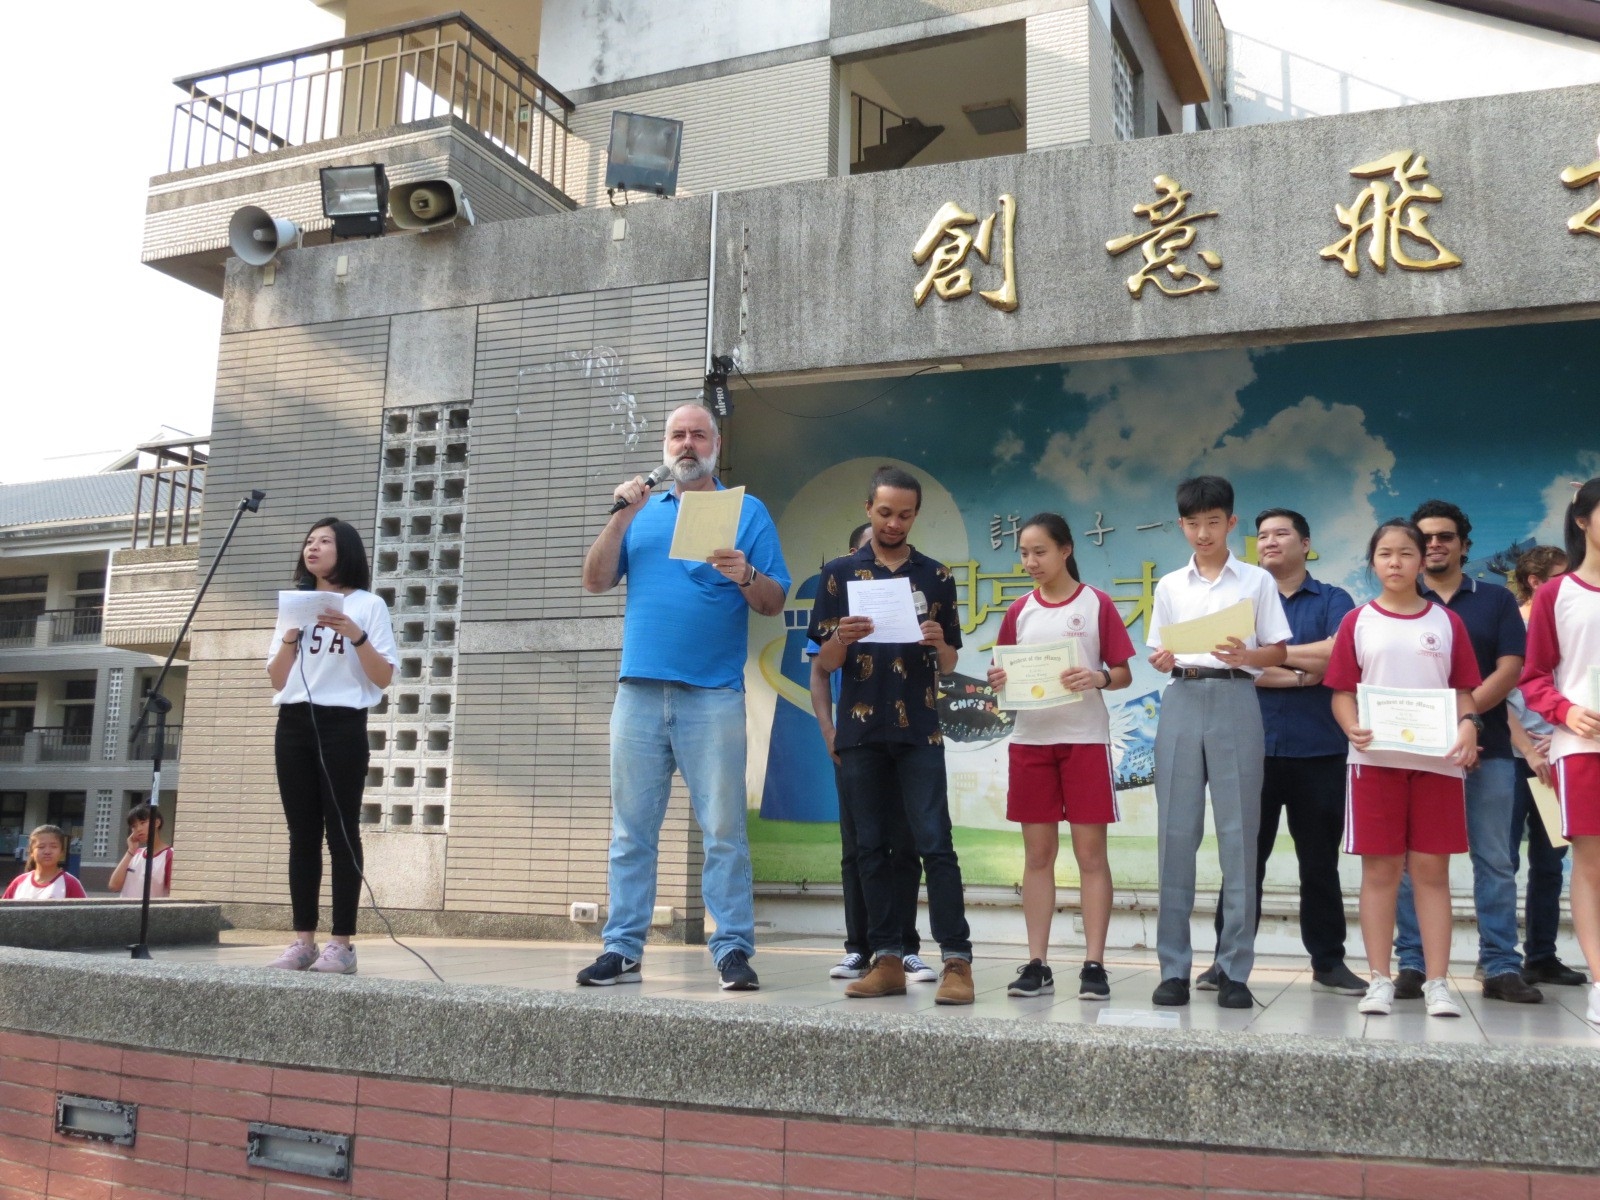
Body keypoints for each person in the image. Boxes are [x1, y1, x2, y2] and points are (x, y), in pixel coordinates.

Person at [579, 404, 790, 990]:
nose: (687, 443)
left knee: (723, 829)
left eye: (699, 434)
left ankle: (732, 948)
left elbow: (774, 601)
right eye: (678, 434)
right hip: (639, 692)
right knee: (630, 831)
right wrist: (620, 519)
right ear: (665, 445)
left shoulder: (747, 512)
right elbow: (594, 580)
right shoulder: (641, 510)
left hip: (712, 695)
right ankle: (622, 948)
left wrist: (745, 575)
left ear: (716, 445)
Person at [807, 465, 974, 1005]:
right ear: (868, 509)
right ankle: (885, 959)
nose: (894, 523)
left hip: (920, 729)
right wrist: (842, 638)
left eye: (905, 515)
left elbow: (949, 664)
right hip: (860, 729)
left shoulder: (936, 575)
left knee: (935, 843)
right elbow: (825, 662)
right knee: (871, 847)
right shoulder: (839, 575)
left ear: (916, 515)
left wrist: (938, 643)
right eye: (884, 513)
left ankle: (957, 960)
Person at [1194, 509, 1364, 996]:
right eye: (1262, 535)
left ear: (1305, 543)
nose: (1269, 541)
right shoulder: (1241, 599)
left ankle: (1328, 962)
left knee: (1319, 863)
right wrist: (1301, 673)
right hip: (1251, 748)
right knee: (1243, 862)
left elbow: (1339, 654)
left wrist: (1267, 656)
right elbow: (1229, 664)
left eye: (1281, 533)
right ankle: (1226, 962)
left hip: (1319, 749)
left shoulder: (1333, 599)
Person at [1326, 518, 1481, 1018]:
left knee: (1432, 871)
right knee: (1381, 870)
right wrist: (1352, 726)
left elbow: (1463, 691)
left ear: (1421, 561)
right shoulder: (1358, 621)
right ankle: (1379, 979)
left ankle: (1438, 982)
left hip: (1438, 764)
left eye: (1406, 553)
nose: (1395, 562)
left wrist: (1469, 726)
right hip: (1374, 764)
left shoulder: (1446, 622)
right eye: (1385, 554)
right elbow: (1342, 692)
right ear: (1373, 562)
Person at [1146, 476, 1291, 1010]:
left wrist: (1246, 656)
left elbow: (1278, 651)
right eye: (1192, 523)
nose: (1202, 533)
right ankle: (1173, 969)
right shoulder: (1169, 586)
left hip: (1236, 697)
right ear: (1181, 525)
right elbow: (1158, 651)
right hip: (1182, 696)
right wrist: (1162, 659)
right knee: (1175, 835)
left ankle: (1234, 970)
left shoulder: (1256, 580)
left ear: (1231, 522)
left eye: (1212, 522)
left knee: (1239, 836)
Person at [1390, 501, 1539, 1004]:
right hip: (1417, 754)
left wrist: (1467, 722)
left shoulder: (1495, 600)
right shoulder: (1400, 603)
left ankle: (1500, 966)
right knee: (1412, 861)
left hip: (1488, 749)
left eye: (1445, 537)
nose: (1435, 544)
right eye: (1425, 538)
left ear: (1464, 546)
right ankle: (1412, 963)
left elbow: (1510, 669)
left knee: (1495, 859)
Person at [987, 513, 1134, 999]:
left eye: (1040, 552)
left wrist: (1097, 677)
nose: (1031, 562)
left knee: (1090, 855)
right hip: (1031, 742)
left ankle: (1094, 964)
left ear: (1066, 550)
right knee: (1038, 856)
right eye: (1024, 553)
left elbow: (1122, 673)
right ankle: (1037, 963)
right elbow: (1002, 674)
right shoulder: (1019, 611)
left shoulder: (1096, 603)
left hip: (1085, 741)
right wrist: (998, 680)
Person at [265, 518, 398, 974]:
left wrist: (354, 634)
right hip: (293, 722)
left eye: (325, 541)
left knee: (341, 833)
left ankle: (341, 944)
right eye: (309, 541)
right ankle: (303, 940)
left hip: (343, 724)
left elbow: (383, 677)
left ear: (347, 551)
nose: (313, 547)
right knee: (301, 834)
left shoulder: (369, 605)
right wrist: (289, 635)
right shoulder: (294, 607)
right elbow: (277, 678)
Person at [809, 523, 936, 984]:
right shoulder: (838, 602)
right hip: (856, 741)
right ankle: (859, 948)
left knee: (905, 845)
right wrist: (828, 730)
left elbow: (936, 666)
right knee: (859, 847)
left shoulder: (916, 594)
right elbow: (820, 672)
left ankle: (904, 948)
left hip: (906, 740)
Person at [1519, 477, 1600, 1025]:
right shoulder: (1556, 594)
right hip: (1582, 747)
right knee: (1592, 865)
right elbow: (1534, 676)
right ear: (1582, 520)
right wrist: (1565, 711)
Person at [1506, 546, 1586, 988]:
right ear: (1536, 582)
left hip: (1557, 756)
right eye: (1559, 576)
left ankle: (1541, 956)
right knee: (1502, 862)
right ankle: (1500, 959)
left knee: (1550, 861)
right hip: (1511, 758)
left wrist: (1560, 735)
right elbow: (1494, 696)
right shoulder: (1512, 624)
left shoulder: (1567, 622)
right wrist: (1529, 748)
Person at [2, 826, 87, 900]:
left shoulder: (70, 883)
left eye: (54, 847)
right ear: (31, 852)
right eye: (41, 847)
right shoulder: (19, 882)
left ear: (62, 852)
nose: (47, 851)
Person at [108, 803, 172, 900]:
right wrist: (130, 850)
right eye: (134, 826)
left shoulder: (169, 855)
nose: (138, 829)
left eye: (142, 823)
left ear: (157, 823)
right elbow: (114, 886)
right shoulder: (135, 853)